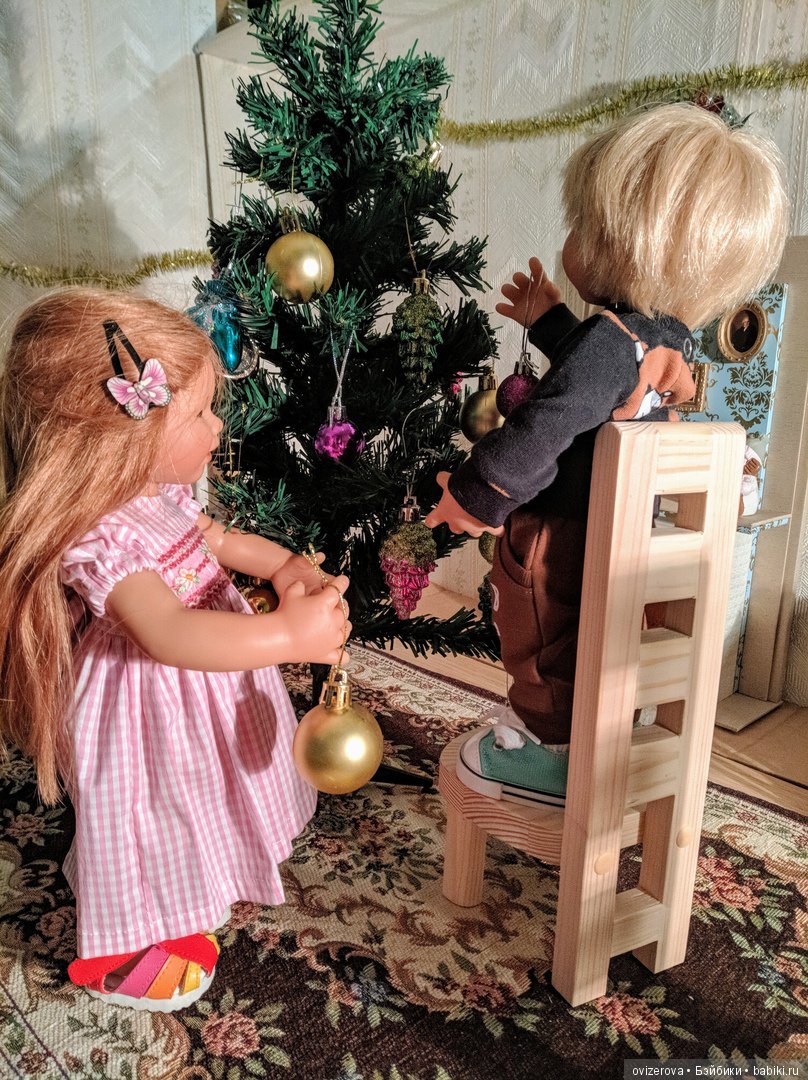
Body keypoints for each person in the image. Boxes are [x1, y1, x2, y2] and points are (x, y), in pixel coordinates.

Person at [425, 103, 788, 807]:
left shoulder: (609, 342)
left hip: (558, 534)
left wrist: (477, 497)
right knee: (593, 639)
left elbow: (554, 417)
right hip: (622, 539)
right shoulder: (667, 343)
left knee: (538, 638)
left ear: (621, 246)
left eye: (582, 228)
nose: (570, 242)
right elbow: (596, 374)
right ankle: (603, 733)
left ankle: (550, 757)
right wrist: (551, 321)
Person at [0, 290, 351, 1011]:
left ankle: (196, 882)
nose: (218, 427)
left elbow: (217, 541)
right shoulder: (103, 533)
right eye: (198, 415)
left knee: (207, 787)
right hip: (148, 700)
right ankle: (120, 950)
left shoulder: (158, 493)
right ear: (123, 436)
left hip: (202, 683)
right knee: (154, 809)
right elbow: (167, 632)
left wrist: (285, 566)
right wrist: (289, 635)